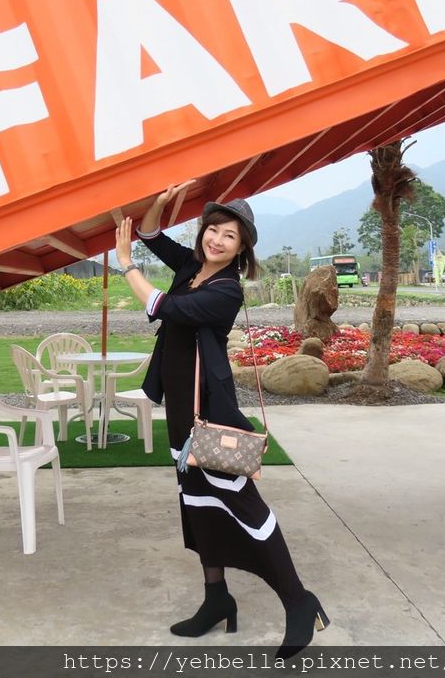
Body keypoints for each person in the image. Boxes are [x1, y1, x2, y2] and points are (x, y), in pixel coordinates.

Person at [115, 183, 330, 659]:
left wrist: (126, 263)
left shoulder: (226, 290)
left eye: (229, 235)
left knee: (245, 505)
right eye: (213, 229)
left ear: (242, 249)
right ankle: (217, 598)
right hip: (180, 409)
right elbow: (151, 234)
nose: (216, 239)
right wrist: (162, 200)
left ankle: (299, 600)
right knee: (196, 502)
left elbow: (163, 306)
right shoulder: (193, 267)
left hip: (208, 412)